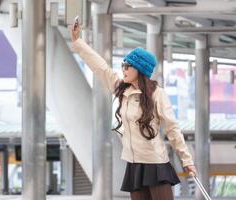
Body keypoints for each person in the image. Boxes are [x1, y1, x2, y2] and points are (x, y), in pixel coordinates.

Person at [70, 18, 197, 200]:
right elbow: (100, 67)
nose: (124, 69)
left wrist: (187, 161)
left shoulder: (157, 94)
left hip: (155, 163)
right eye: (123, 65)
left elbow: (172, 130)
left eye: (128, 66)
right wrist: (78, 42)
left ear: (140, 70)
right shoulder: (122, 90)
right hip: (134, 163)